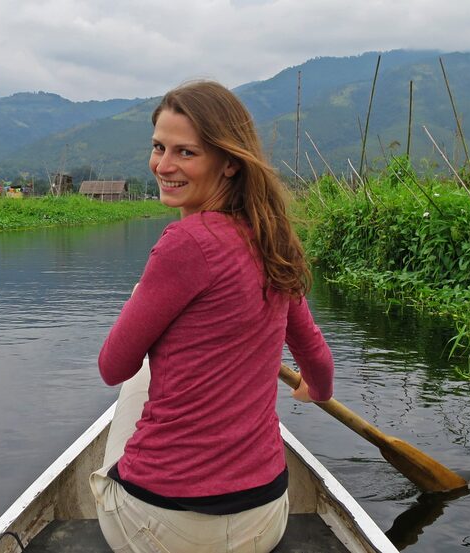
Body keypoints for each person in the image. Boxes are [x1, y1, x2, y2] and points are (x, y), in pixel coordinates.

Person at [92, 80, 334, 553]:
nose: (163, 165)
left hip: (162, 527)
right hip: (264, 521)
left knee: (136, 381)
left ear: (229, 162)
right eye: (158, 147)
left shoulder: (183, 244)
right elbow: (318, 363)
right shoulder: (273, 241)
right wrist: (316, 389)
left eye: (186, 153)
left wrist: (142, 295)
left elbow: (112, 366)